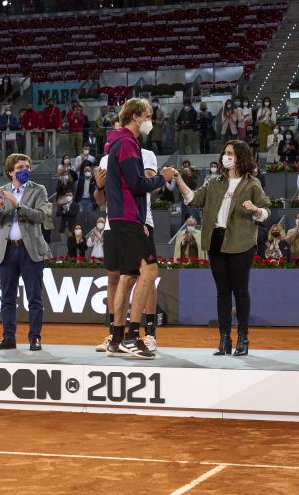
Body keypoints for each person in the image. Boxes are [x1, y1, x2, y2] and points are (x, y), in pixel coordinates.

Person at [174, 139, 269, 355]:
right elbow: (193, 199)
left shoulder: (252, 183)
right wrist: (179, 178)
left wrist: (255, 209)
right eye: (225, 152)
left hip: (242, 242)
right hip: (216, 240)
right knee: (222, 292)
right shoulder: (213, 182)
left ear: (240, 158)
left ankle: (243, 339)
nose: (226, 157)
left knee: (241, 290)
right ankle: (224, 338)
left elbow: (265, 212)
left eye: (231, 154)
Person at [104, 98, 176, 358]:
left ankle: (117, 337)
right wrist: (162, 178)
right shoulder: (126, 144)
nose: (150, 121)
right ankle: (133, 337)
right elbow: (137, 184)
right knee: (149, 270)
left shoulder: (121, 142)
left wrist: (139, 220)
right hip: (126, 216)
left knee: (128, 275)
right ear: (135, 117)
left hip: (124, 217)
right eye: (148, 116)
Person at [0, 153, 51, 351]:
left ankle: (35, 338)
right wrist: (0, 208)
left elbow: (41, 216)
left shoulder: (38, 190)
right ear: (10, 172)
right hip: (7, 250)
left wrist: (18, 206)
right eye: (20, 167)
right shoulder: (1, 190)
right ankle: (8, 338)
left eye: (27, 166)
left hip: (30, 249)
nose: (25, 170)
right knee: (7, 297)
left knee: (34, 297)